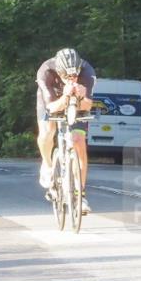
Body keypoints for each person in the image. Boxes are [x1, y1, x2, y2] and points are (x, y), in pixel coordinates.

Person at [36, 48, 95, 214]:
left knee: (78, 140)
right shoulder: (46, 71)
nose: (72, 79)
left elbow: (88, 105)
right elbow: (51, 107)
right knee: (47, 131)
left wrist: (81, 97)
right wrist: (65, 97)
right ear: (58, 72)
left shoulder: (87, 71)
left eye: (75, 75)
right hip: (52, 99)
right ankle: (47, 165)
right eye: (67, 77)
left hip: (76, 103)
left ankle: (80, 195)